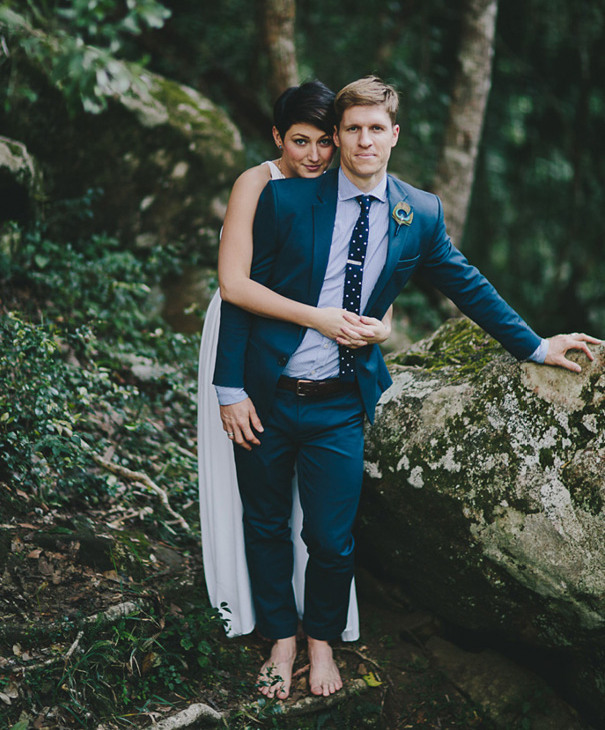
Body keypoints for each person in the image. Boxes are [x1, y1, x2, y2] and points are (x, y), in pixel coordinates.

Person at [213, 76, 600, 700]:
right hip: (267, 392)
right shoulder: (287, 201)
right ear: (337, 139)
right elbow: (241, 300)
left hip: (341, 401)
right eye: (352, 129)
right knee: (264, 524)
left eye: (376, 128)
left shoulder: (417, 213)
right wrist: (229, 385)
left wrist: (534, 345)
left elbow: (466, 283)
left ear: (394, 135)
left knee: (332, 539)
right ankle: (280, 641)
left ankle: (321, 643)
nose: (364, 140)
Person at [198, 81, 390, 644]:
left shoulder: (341, 185)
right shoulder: (257, 183)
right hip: (246, 334)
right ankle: (257, 613)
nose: (313, 155)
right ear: (278, 137)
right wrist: (230, 383)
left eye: (324, 142)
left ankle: (321, 628)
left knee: (324, 521)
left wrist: (378, 324)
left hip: (319, 362)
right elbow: (236, 285)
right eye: (299, 141)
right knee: (256, 498)